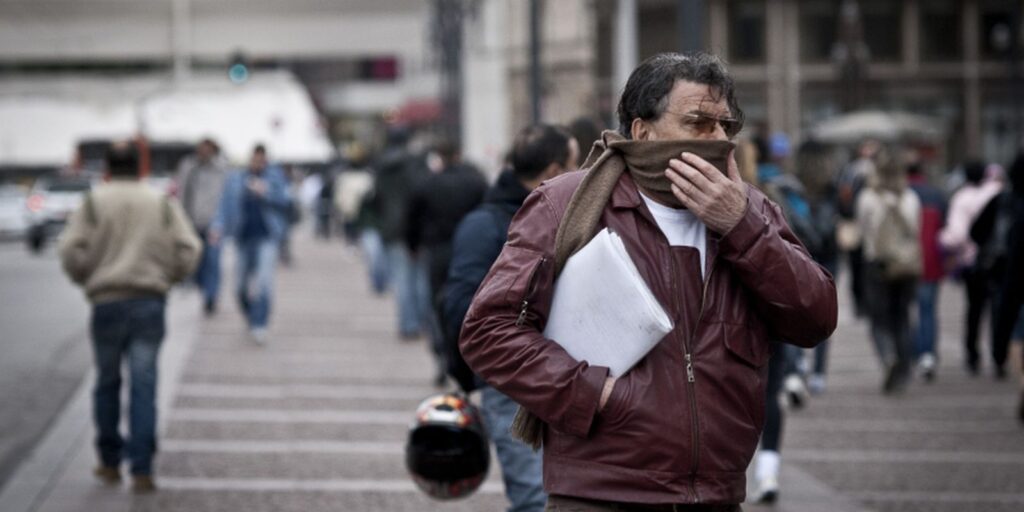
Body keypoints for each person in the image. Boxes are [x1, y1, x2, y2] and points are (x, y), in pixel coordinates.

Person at [459, 52, 837, 510]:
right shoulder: (566, 204)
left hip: (715, 493)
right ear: (642, 131)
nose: (717, 139)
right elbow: (487, 331)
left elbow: (815, 317)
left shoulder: (752, 210)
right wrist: (594, 393)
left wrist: (741, 226)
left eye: (725, 126)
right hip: (602, 492)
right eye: (698, 122)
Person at [441, 124, 577, 512]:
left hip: (565, 375)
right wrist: (472, 376)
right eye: (574, 162)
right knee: (535, 498)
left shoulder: (563, 217)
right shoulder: (486, 225)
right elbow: (460, 309)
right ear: (553, 171)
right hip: (511, 379)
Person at [59, 142, 201, 493]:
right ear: (139, 166)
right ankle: (142, 466)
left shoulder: (94, 202)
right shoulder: (159, 202)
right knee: (145, 384)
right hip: (149, 301)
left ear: (107, 167)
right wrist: (170, 277)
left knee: (107, 382)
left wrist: (86, 278)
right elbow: (190, 248)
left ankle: (109, 462)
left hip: (106, 301)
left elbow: (69, 249)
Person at [406, 140, 488, 386]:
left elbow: (412, 219)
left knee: (437, 306)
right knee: (470, 303)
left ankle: (442, 353)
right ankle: (467, 355)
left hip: (437, 251)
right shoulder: (476, 182)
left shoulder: (428, 184)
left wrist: (413, 245)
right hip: (469, 250)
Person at [209, 144, 291, 345]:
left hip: (267, 237)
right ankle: (251, 315)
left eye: (261, 160)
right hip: (242, 237)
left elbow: (287, 201)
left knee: (264, 283)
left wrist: (266, 191)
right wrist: (218, 226)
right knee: (239, 287)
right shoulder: (236, 178)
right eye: (255, 159)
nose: (258, 163)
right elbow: (224, 204)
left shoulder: (274, 177)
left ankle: (260, 323)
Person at [856, 149, 921, 393]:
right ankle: (904, 370)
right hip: (906, 265)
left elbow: (863, 232)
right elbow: (916, 231)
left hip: (877, 264)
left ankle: (887, 358)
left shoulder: (868, 198)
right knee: (902, 318)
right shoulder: (911, 198)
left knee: (879, 319)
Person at [939, 160, 1003, 375]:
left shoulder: (962, 198)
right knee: (998, 309)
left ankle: (972, 355)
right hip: (999, 261)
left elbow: (956, 234)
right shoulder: (997, 192)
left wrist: (944, 241)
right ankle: (999, 355)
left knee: (974, 309)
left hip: (972, 262)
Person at [372, 127, 431, 339]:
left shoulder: (381, 165)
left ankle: (408, 324)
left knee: (401, 279)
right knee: (420, 279)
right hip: (416, 227)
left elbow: (376, 197)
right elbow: (424, 193)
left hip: (391, 227)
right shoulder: (416, 163)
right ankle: (422, 322)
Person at [175, 138, 228, 315]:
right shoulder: (188, 166)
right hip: (191, 220)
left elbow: (225, 196)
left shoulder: (221, 168)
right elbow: (181, 192)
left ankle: (211, 297)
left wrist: (222, 221)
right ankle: (200, 287)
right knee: (196, 260)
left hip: (213, 223)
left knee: (213, 261)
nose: (203, 153)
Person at [906, 162, 947, 381]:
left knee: (906, 311)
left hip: (906, 262)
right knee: (928, 310)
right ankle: (928, 354)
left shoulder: (902, 195)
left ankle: (913, 353)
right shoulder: (936, 195)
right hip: (931, 261)